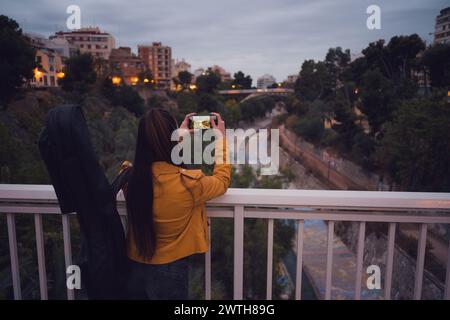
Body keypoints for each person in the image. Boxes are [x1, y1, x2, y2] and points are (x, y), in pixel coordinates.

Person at [122, 108, 231, 299]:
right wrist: (220, 140)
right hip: (170, 271)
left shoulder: (129, 179)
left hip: (134, 266)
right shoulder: (189, 184)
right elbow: (222, 181)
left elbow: (151, 159)